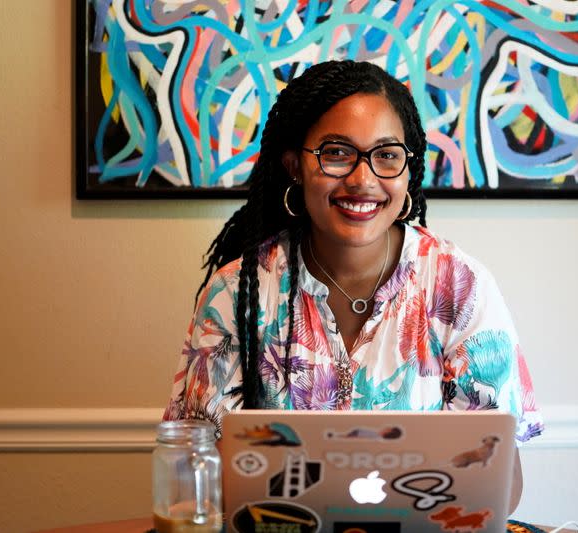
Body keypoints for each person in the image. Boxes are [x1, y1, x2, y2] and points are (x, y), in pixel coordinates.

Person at [162, 60, 543, 514]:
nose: (363, 179)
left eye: (386, 155)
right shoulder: (235, 295)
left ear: (408, 169)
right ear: (295, 167)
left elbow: (501, 484)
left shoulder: (459, 287)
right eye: (337, 153)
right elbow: (196, 469)